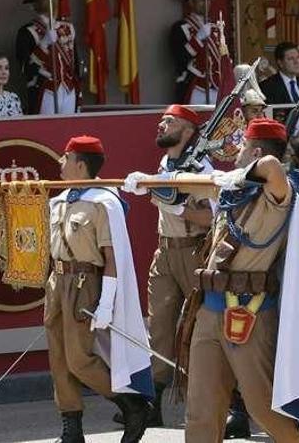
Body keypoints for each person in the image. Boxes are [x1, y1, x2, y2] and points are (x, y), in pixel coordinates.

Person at [127, 118, 299, 441]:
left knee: (262, 406)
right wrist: (152, 182)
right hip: (210, 310)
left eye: (243, 146)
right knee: (201, 410)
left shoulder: (276, 194)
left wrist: (240, 174)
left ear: (255, 150)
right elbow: (196, 182)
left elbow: (271, 168)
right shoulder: (233, 190)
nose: (236, 152)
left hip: (248, 312)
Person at [46, 135, 153, 442]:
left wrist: (106, 302)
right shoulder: (58, 200)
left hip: (85, 283)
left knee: (79, 359)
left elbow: (112, 256)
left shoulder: (103, 202)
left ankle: (131, 403)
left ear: (80, 164)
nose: (60, 163)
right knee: (59, 358)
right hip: (58, 283)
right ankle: (72, 425)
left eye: (65, 157)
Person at [119, 105, 213, 428]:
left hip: (193, 252)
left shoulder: (201, 167)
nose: (161, 125)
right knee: (159, 327)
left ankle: (237, 403)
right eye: (161, 120)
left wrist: (179, 211)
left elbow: (214, 217)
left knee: (206, 326)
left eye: (169, 121)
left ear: (188, 130)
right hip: (166, 252)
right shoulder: (166, 163)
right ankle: (153, 403)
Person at [16, 0, 79, 115]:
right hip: (45, 88)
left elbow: (75, 60)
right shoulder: (27, 32)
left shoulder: (68, 28)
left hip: (68, 87)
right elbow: (25, 67)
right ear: (33, 5)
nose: (50, 1)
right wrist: (43, 44)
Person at [170, 0, 221, 105]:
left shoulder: (214, 28)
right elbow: (181, 57)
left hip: (216, 85)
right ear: (191, 3)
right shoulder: (180, 28)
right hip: (195, 85)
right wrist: (198, 39)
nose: (206, 3)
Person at [259, 42, 299, 128]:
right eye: (291, 59)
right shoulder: (268, 86)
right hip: (285, 137)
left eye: (298, 58)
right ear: (280, 63)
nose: (296, 62)